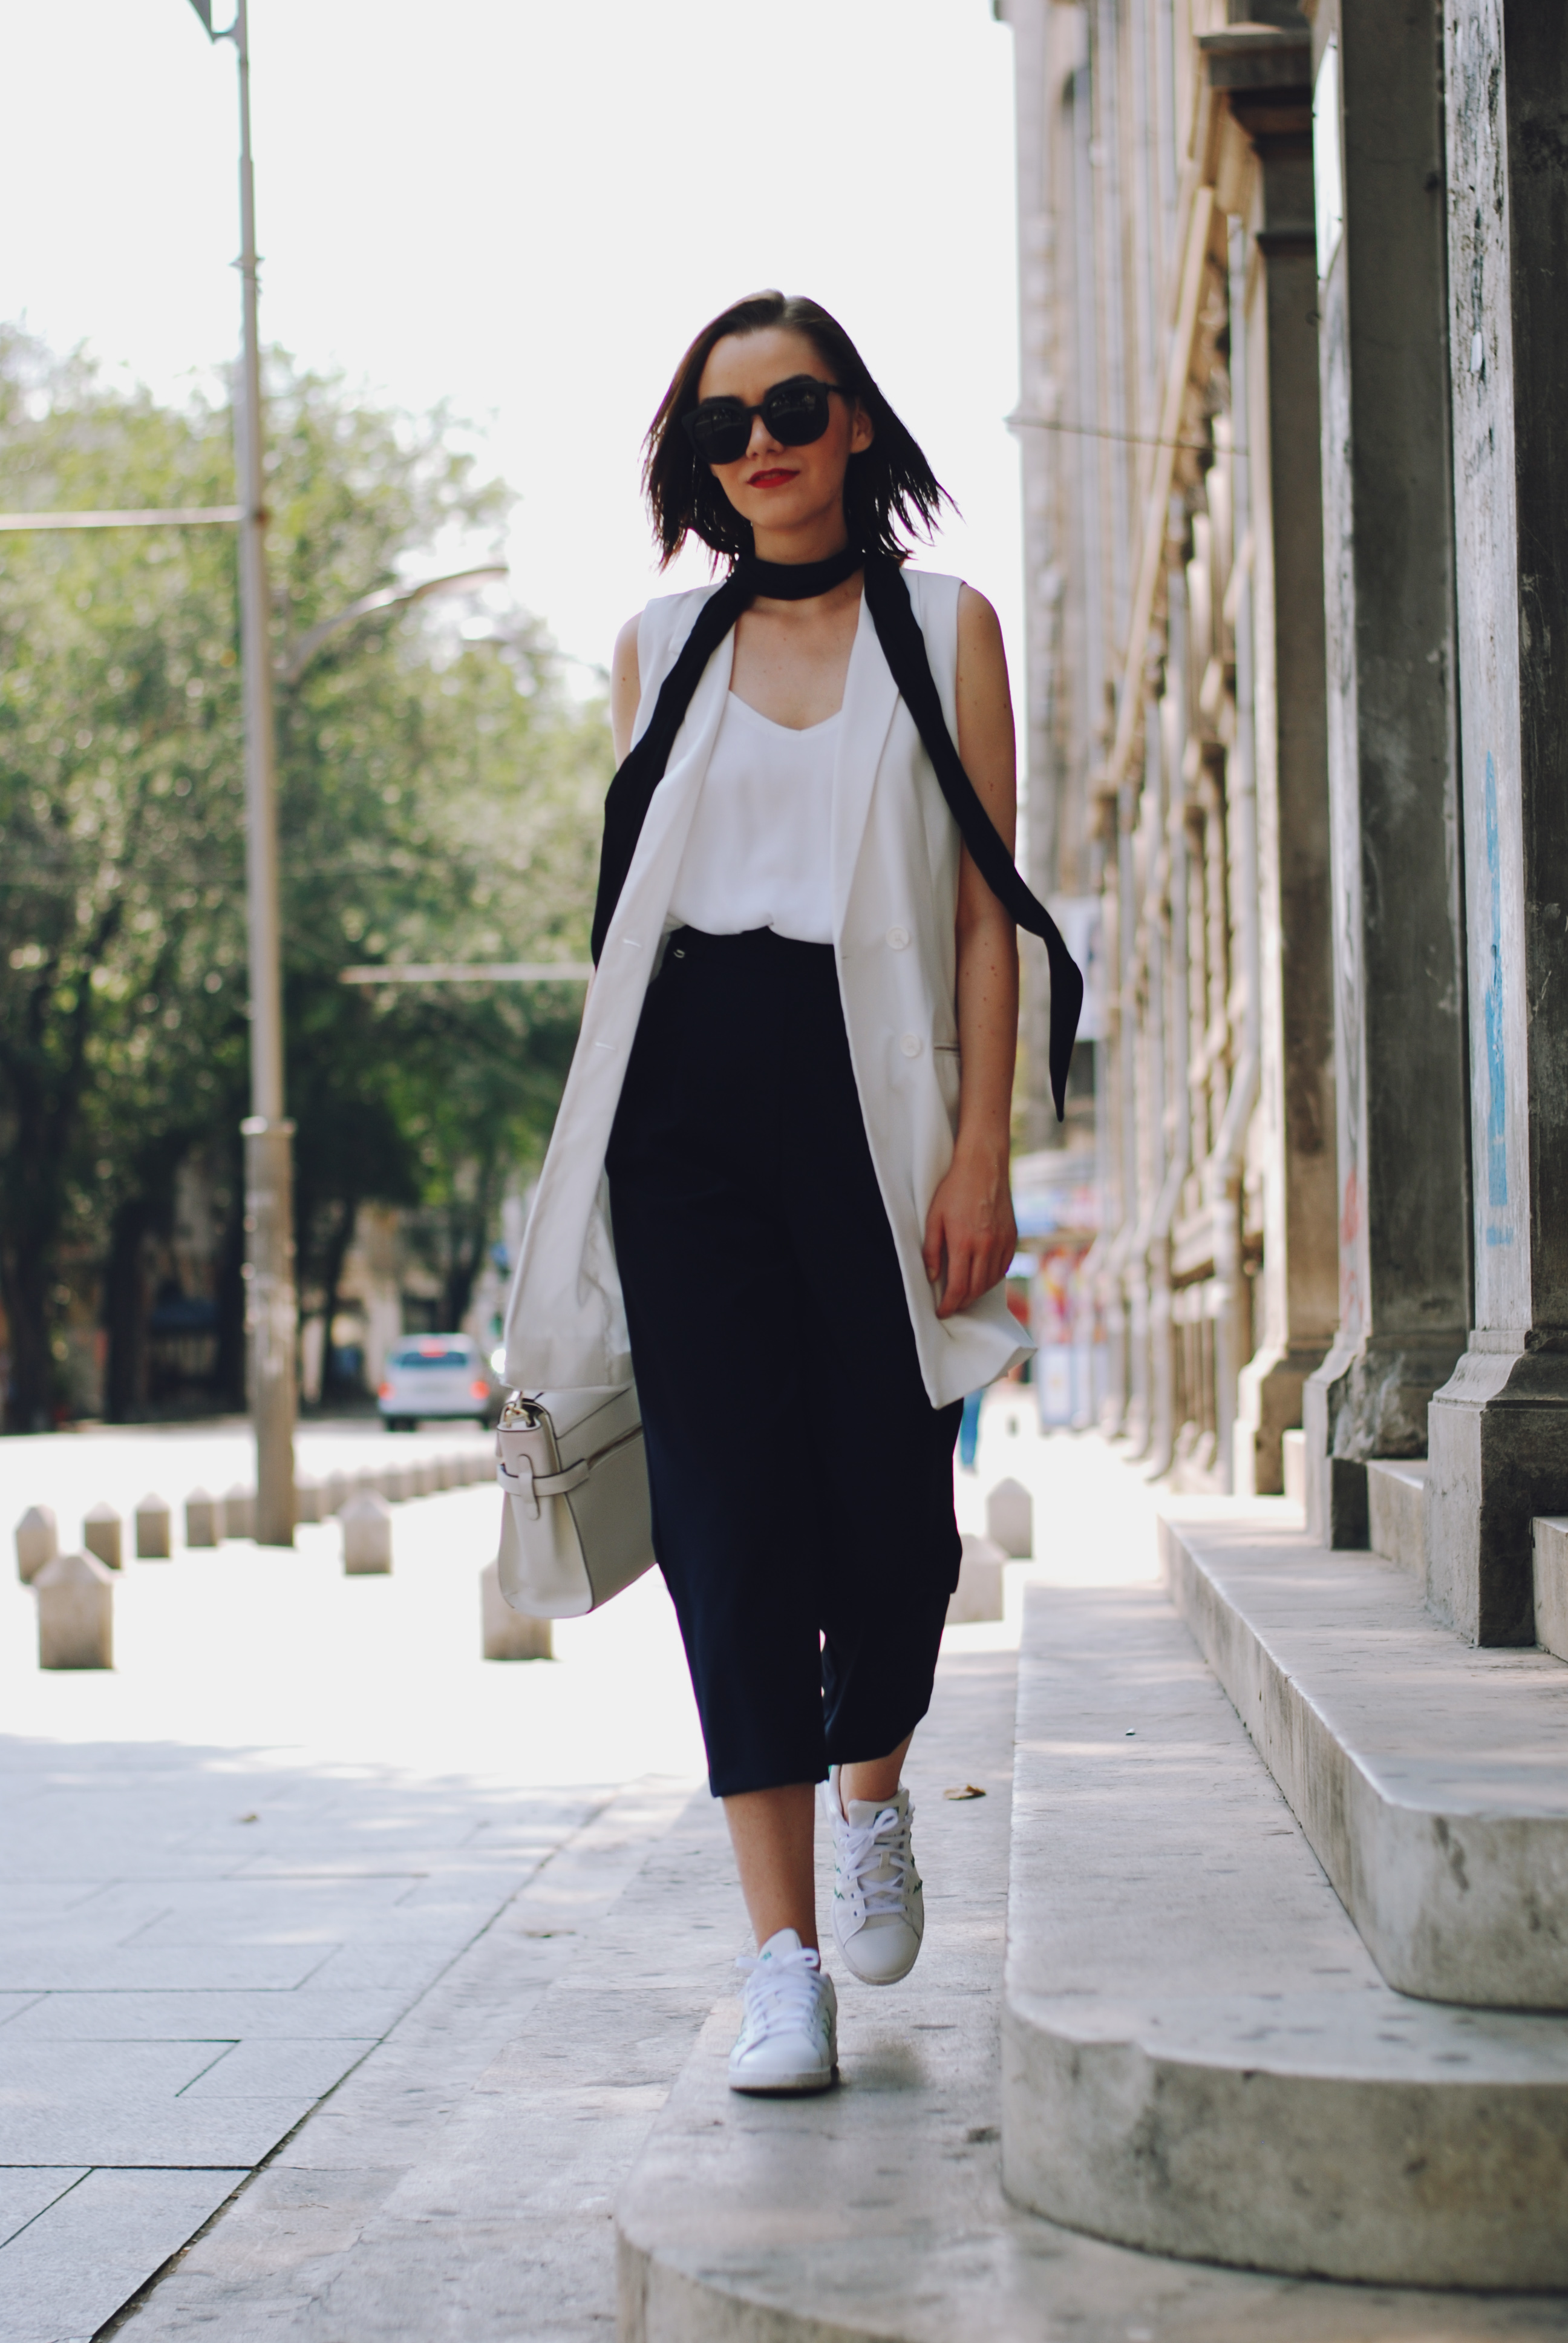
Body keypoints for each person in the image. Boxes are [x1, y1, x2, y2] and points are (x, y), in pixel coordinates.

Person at [507, 290, 1076, 2097]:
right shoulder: (658, 646)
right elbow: (630, 923)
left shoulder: (945, 628)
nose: (764, 443)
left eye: (798, 407)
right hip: (689, 1109)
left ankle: (875, 1792)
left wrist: (986, 1149)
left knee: (899, 1517)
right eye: (727, 424)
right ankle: (781, 1962)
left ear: (852, 428)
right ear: (701, 461)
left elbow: (986, 912)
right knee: (731, 1531)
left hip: (876, 1104)